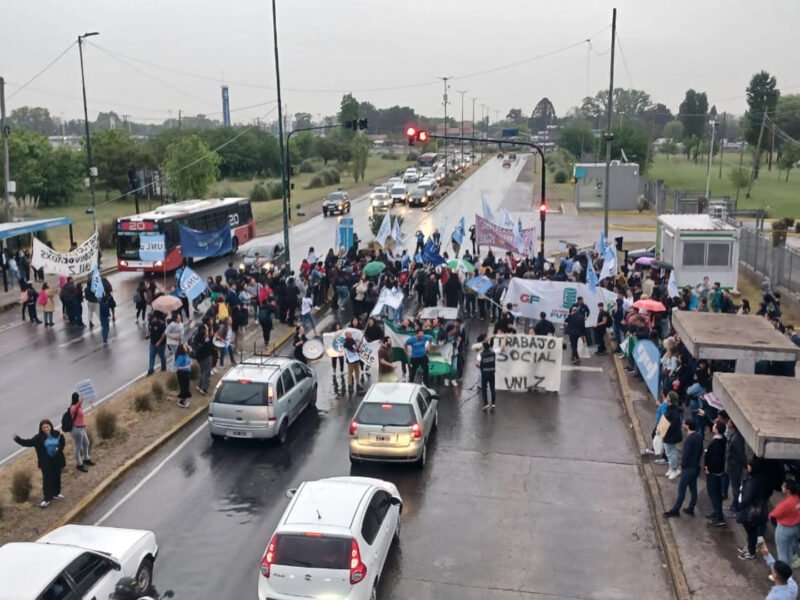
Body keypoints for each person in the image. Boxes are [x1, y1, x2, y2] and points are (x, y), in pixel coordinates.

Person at [13, 420, 66, 508]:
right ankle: (47, 498)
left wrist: (58, 449)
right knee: (47, 480)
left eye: (47, 426)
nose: (46, 429)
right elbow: (28, 443)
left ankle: (56, 493)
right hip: (46, 462)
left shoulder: (57, 434)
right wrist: (17, 439)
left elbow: (62, 443)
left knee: (57, 477)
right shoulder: (38, 438)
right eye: (43, 427)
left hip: (57, 460)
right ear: (41, 429)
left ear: (51, 426)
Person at [664, 418, 703, 518]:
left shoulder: (688, 440)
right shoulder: (699, 437)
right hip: (695, 467)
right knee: (693, 489)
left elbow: (685, 456)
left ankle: (675, 510)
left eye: (684, 424)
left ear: (688, 426)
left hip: (688, 468)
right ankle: (691, 508)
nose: (683, 425)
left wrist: (682, 466)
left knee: (682, 490)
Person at [737, 458, 773, 560]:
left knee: (751, 531)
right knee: (752, 531)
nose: (747, 468)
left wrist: (740, 506)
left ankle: (751, 551)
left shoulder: (753, 482)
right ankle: (750, 547)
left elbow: (747, 497)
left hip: (751, 512)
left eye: (749, 466)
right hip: (758, 510)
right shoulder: (762, 479)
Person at [769, 479, 800, 564]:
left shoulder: (786, 503)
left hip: (784, 528)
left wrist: (776, 525)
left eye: (783, 486)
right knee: (789, 550)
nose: (781, 487)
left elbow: (773, 515)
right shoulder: (797, 499)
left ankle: (782, 574)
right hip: (795, 527)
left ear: (788, 490)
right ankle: (788, 569)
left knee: (782, 553)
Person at [704, 421, 728, 526]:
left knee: (714, 494)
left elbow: (715, 459)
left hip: (713, 473)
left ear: (716, 430)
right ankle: (717, 512)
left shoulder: (716, 443)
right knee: (716, 493)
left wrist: (709, 468)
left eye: (714, 426)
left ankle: (719, 517)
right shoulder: (722, 440)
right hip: (718, 471)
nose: (712, 427)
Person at [68, 393, 93, 472]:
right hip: (76, 430)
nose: (79, 399)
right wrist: (82, 399)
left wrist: (90, 401)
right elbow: (77, 406)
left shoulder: (79, 407)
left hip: (82, 428)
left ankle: (86, 458)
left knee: (86, 443)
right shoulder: (72, 408)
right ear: (76, 398)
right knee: (78, 447)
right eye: (78, 398)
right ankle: (79, 464)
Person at [727, 418, 747, 514]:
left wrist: (744, 465)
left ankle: (736, 506)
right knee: (735, 486)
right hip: (734, 464)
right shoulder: (736, 435)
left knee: (735, 487)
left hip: (735, 465)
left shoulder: (737, 438)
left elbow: (740, 454)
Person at [662, 392, 684, 479]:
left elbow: (672, 425)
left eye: (667, 396)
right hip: (669, 435)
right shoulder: (672, 409)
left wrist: (664, 431)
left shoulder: (673, 411)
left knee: (671, 453)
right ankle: (671, 468)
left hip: (670, 435)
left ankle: (674, 469)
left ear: (670, 399)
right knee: (669, 452)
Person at [476, 337, 498, 411]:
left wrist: (478, 366)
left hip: (485, 374)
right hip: (492, 373)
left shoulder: (480, 355)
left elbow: (478, 364)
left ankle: (486, 404)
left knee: (484, 389)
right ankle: (493, 404)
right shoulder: (493, 353)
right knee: (492, 388)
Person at [193, 320, 214, 395]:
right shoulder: (204, 340)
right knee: (206, 372)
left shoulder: (197, 338)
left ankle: (200, 385)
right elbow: (210, 346)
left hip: (200, 357)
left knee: (203, 371)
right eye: (206, 329)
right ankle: (204, 388)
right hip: (205, 357)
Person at [175, 344, 192, 408]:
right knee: (183, 387)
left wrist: (190, 363)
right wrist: (186, 366)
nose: (186, 347)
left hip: (187, 373)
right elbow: (178, 367)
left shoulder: (186, 354)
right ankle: (181, 401)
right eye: (185, 346)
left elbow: (188, 360)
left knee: (186, 386)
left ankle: (184, 400)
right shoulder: (180, 356)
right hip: (182, 373)